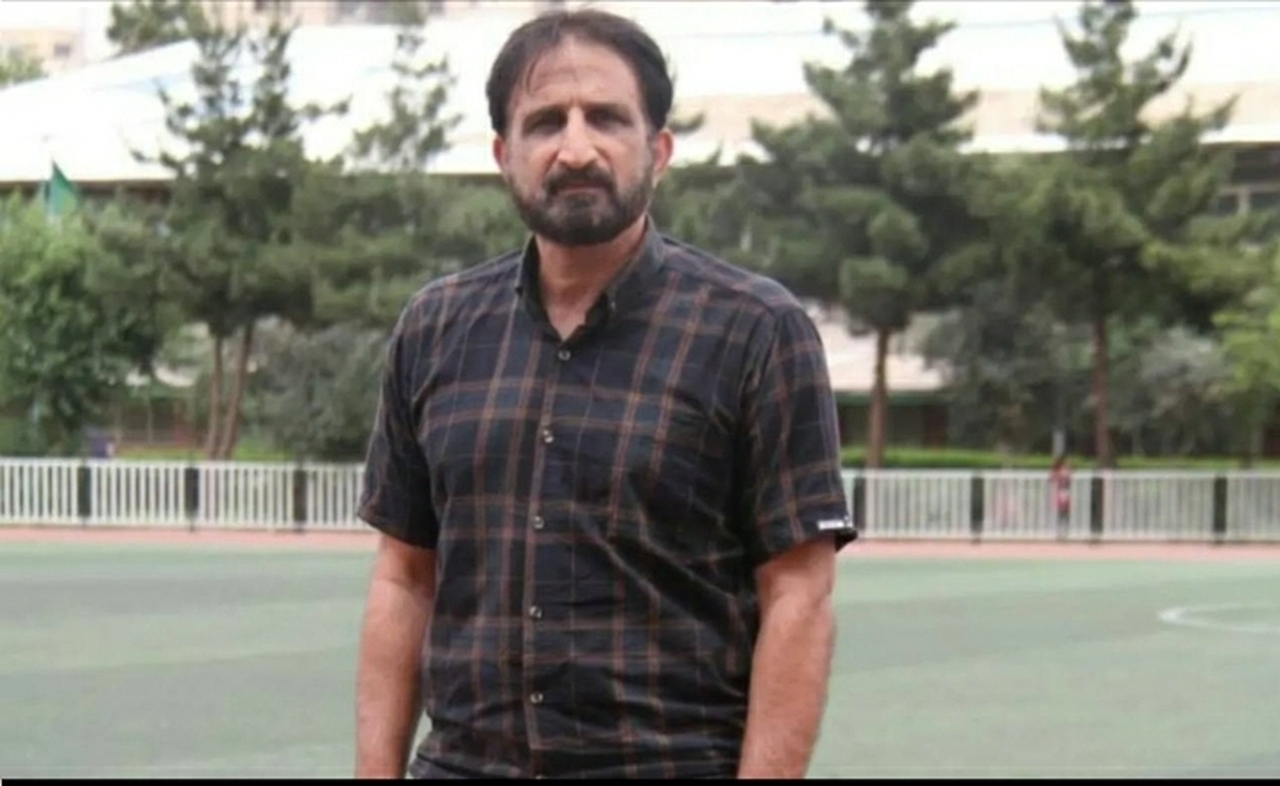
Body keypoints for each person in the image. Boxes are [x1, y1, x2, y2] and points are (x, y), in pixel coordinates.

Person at [354, 7, 857, 780]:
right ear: (504, 154)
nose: (576, 149)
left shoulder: (755, 331)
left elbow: (798, 593)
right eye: (545, 122)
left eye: (607, 119)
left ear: (659, 149)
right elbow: (404, 577)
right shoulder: (436, 327)